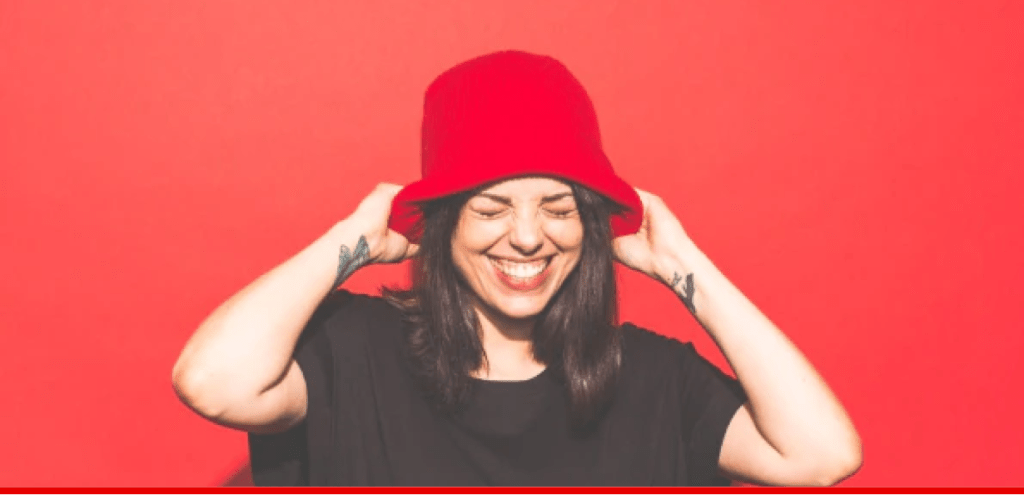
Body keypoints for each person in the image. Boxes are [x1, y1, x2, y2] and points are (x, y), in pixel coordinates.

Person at [172, 51, 862, 486]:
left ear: (589, 224)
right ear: (442, 221)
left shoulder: (652, 378)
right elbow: (210, 381)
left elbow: (822, 455)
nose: (529, 237)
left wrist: (685, 265)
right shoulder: (356, 352)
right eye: (492, 207)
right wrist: (347, 240)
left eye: (558, 208)